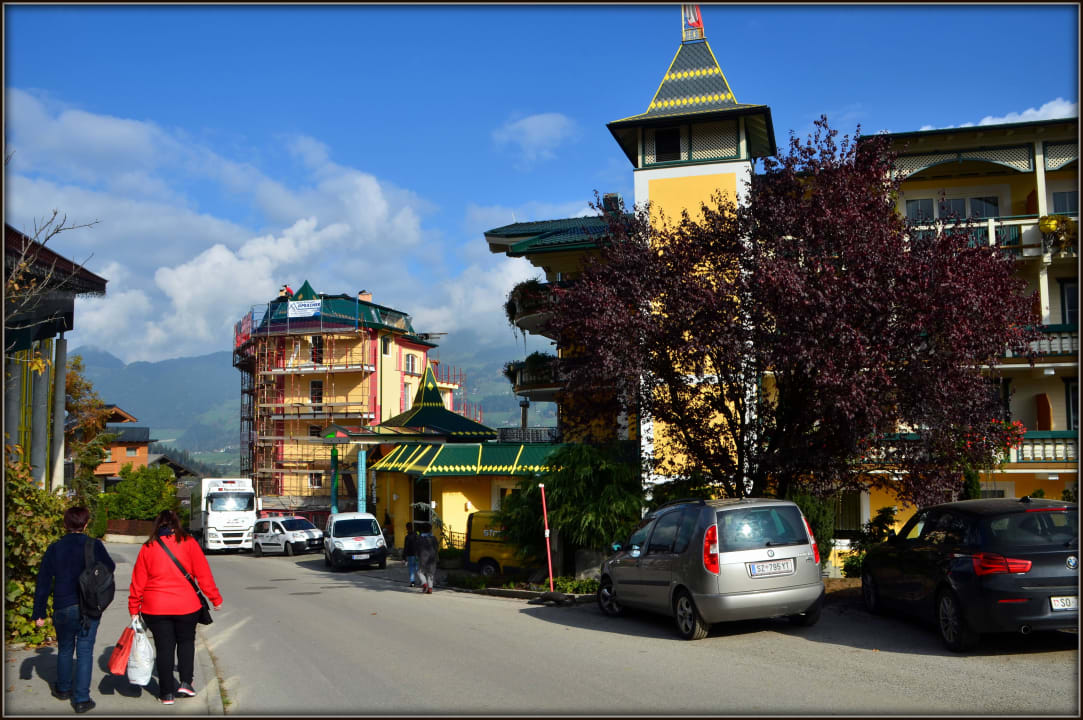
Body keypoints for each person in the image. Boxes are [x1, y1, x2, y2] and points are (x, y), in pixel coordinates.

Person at [128, 509, 223, 705]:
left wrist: (133, 607)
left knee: (164, 648)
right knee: (186, 642)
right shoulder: (189, 543)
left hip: (155, 607)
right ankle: (186, 683)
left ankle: (166, 694)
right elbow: (203, 573)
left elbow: (138, 580)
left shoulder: (148, 547)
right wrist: (215, 598)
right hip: (186, 606)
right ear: (176, 523)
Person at [32, 506, 116, 714]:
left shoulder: (55, 548)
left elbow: (43, 581)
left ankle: (62, 689)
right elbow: (110, 567)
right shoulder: (94, 545)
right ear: (86, 524)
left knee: (65, 648)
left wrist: (39, 612)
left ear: (65, 524)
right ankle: (81, 699)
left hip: (62, 605)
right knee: (85, 651)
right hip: (88, 605)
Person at [416, 523, 438, 594]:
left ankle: (424, 584)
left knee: (419, 572)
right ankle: (430, 589)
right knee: (430, 573)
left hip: (423, 558)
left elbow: (417, 548)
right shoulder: (434, 538)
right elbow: (436, 548)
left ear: (422, 530)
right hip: (432, 558)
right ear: (430, 529)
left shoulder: (420, 538)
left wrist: (417, 556)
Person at [403, 522, 419, 587]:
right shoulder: (416, 535)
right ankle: (423, 581)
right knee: (417, 568)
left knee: (411, 569)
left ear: (407, 528)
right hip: (417, 555)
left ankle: (412, 582)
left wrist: (404, 557)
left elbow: (405, 547)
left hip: (410, 555)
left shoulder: (407, 537)